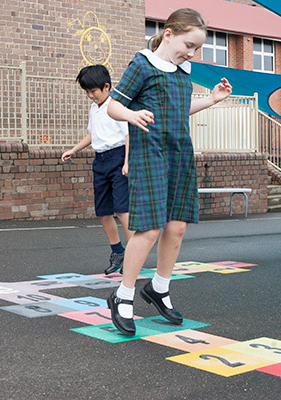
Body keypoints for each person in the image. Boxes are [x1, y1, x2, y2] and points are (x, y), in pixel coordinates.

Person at [105, 8, 233, 335]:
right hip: (150, 153)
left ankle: (159, 287)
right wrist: (131, 117)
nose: (191, 53)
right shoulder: (142, 65)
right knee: (148, 228)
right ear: (169, 33)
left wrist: (213, 100)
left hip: (179, 152)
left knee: (177, 227)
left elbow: (179, 108)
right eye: (189, 45)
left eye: (197, 49)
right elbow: (114, 105)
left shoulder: (182, 71)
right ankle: (123, 295)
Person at [61, 65, 133, 275]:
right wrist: (73, 149)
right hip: (100, 160)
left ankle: (134, 254)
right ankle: (117, 252)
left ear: (107, 86)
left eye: (93, 91)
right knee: (103, 212)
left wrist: (127, 162)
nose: (90, 96)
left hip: (118, 157)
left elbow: (128, 135)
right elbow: (92, 134)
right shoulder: (94, 109)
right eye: (87, 92)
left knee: (122, 210)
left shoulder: (116, 105)